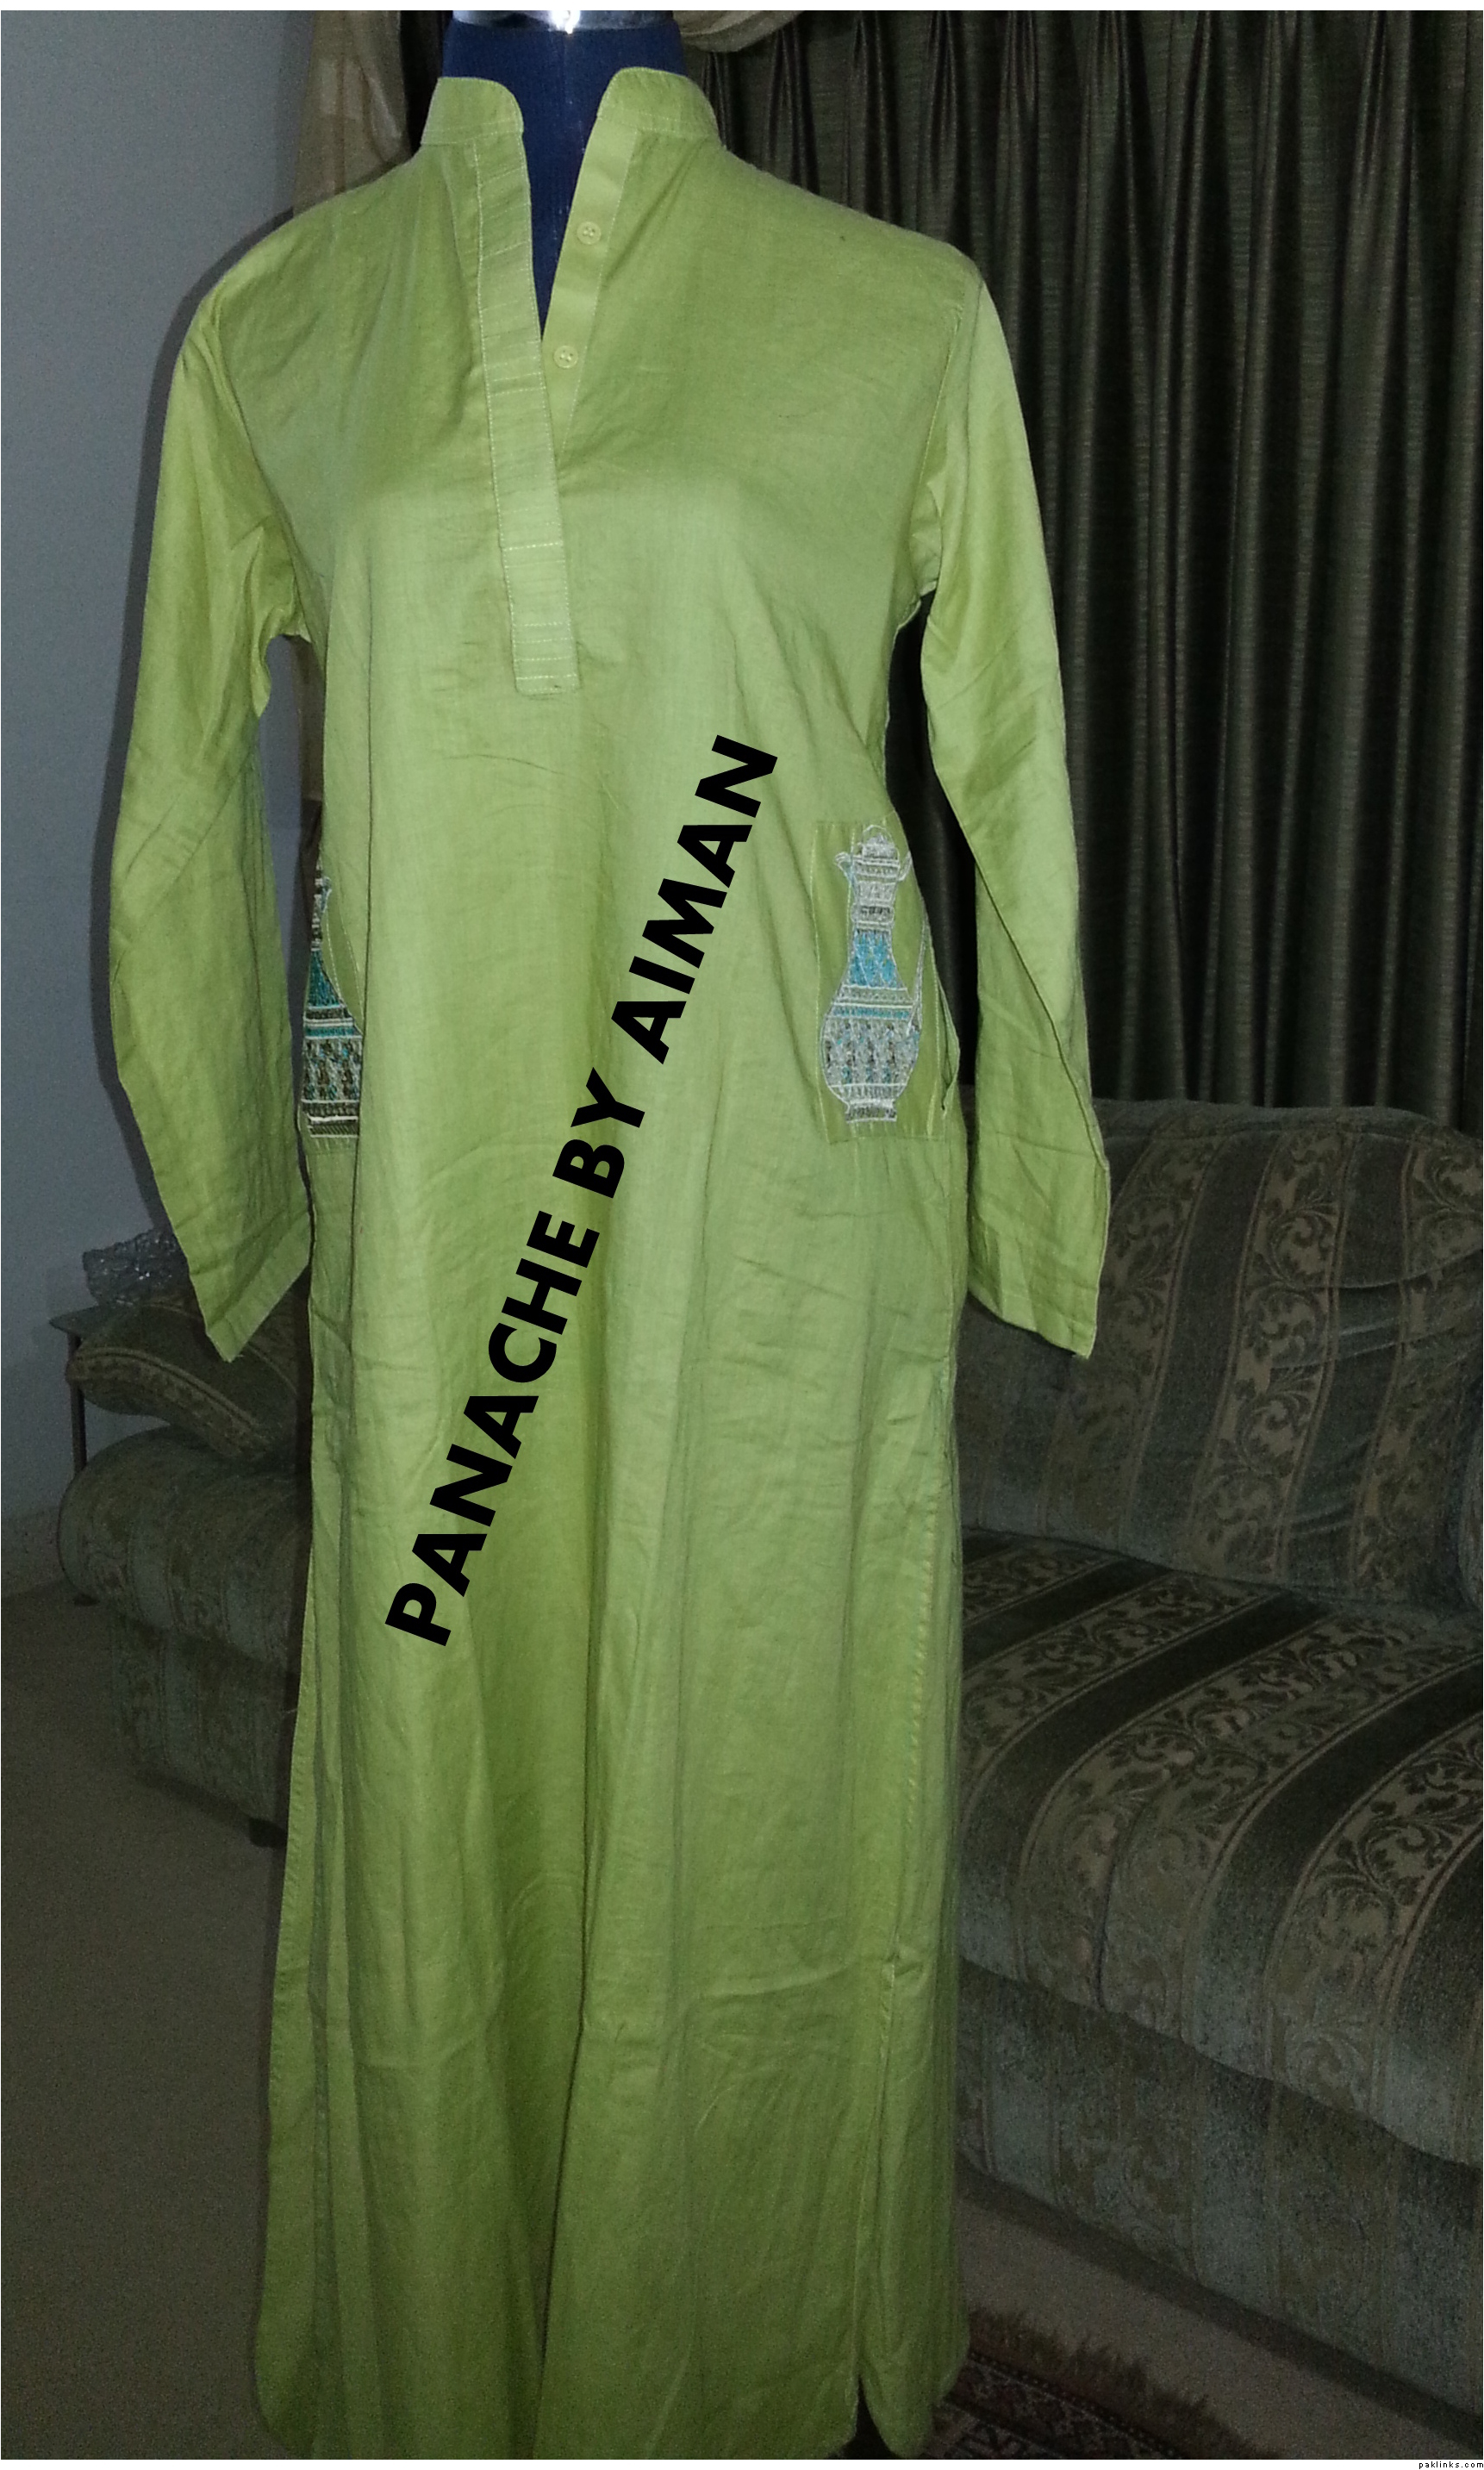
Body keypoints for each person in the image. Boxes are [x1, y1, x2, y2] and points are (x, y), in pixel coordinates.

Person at [109, 12, 1108, 2453]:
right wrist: (246, 1183)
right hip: (447, 1222)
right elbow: (181, 810)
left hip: (774, 1235)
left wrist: (1027, 1180)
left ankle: (743, 2364)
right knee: (449, 1800)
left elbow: (1008, 765)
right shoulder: (277, 333)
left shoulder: (903, 315)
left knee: (752, 1785)